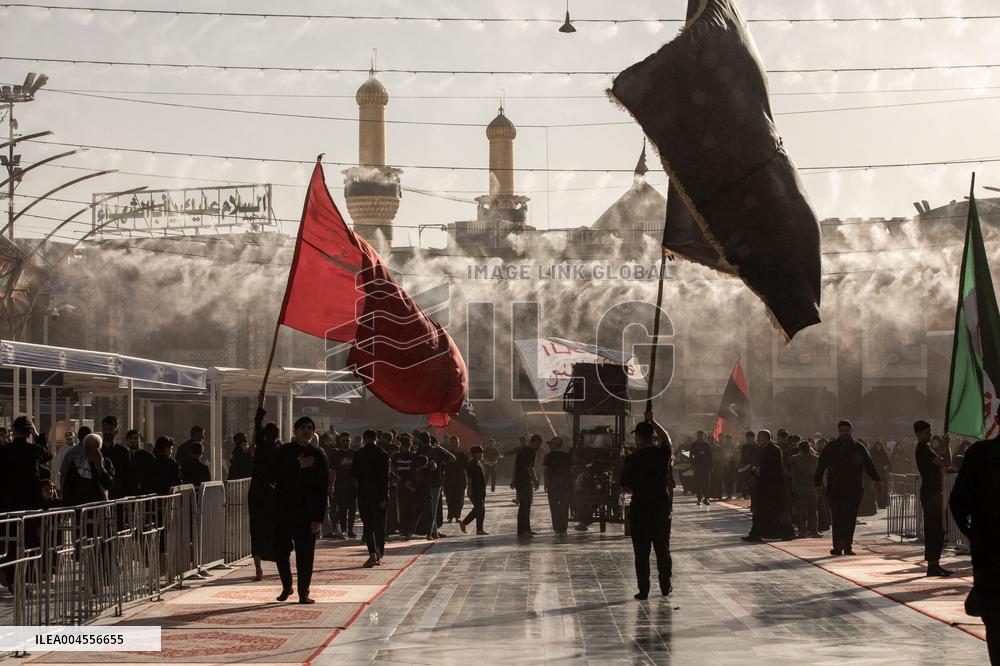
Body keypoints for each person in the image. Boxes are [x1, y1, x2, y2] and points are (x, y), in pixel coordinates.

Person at [949, 411, 1000, 664]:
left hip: (989, 553)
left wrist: (972, 534)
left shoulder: (980, 454)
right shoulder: (980, 454)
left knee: (996, 624)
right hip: (988, 551)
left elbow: (957, 503)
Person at [271, 416, 329, 604]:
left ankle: (304, 592)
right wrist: (297, 466)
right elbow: (272, 475)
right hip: (284, 510)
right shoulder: (284, 452)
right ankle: (287, 586)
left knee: (305, 555)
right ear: (295, 431)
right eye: (303, 427)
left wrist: (318, 517)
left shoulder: (318, 455)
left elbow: (322, 488)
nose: (307, 431)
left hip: (307, 513)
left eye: (310, 428)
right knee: (281, 552)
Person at [620, 412, 674, 600]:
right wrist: (653, 421)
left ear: (638, 438)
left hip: (640, 510)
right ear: (653, 437)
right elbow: (666, 438)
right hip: (660, 508)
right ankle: (665, 585)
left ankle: (644, 590)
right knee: (662, 549)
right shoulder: (662, 454)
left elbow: (624, 486)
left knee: (641, 553)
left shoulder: (632, 459)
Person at [815, 420, 881, 556]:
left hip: (854, 489)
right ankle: (838, 547)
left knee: (850, 519)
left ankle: (848, 546)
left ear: (851, 431)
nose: (844, 433)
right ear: (838, 431)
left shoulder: (858, 447)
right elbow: (821, 466)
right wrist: (817, 484)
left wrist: (877, 479)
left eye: (847, 430)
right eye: (842, 430)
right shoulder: (831, 447)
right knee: (838, 519)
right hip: (835, 489)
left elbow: (869, 465)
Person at [913, 420, 952, 576]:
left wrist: (944, 445)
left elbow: (941, 461)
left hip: (935, 492)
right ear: (918, 433)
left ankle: (935, 563)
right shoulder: (923, 449)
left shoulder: (926, 448)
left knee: (939, 529)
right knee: (933, 530)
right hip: (931, 494)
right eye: (927, 432)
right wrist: (947, 445)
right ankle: (932, 565)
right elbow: (945, 462)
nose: (930, 435)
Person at [742, 430, 795, 541]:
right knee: (758, 510)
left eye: (760, 437)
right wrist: (754, 470)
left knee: (778, 511)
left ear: (767, 438)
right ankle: (755, 534)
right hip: (761, 485)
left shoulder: (775, 450)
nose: (758, 439)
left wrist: (762, 471)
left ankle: (787, 533)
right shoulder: (758, 449)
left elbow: (776, 468)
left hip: (773, 486)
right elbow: (755, 463)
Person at [352, 429, 391, 567]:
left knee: (368, 525)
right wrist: (385, 496)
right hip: (380, 495)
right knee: (380, 525)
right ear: (376, 439)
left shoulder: (359, 454)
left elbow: (354, 477)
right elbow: (386, 478)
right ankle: (379, 554)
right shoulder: (383, 455)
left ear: (364, 439)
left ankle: (372, 553)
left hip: (364, 495)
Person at [249, 409, 279, 581]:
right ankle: (279, 562)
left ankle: (258, 569)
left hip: (256, 492)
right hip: (272, 493)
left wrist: (260, 412)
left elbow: (257, 428)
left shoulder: (261, 449)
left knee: (256, 529)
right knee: (273, 528)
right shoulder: (279, 451)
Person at [3, 415, 51, 511]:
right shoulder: (34, 450)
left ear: (14, 431)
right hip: (30, 501)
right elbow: (48, 455)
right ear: (29, 434)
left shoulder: (4, 450)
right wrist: (36, 434)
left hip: (8, 501)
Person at [62, 433, 115, 506]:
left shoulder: (106, 463)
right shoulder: (76, 462)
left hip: (99, 509)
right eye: (88, 448)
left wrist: (100, 468)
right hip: (80, 508)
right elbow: (68, 487)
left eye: (93, 449)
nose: (90, 452)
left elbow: (109, 484)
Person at [786, 440, 820, 538]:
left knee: (802, 512)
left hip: (800, 488)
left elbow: (788, 461)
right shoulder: (816, 459)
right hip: (813, 488)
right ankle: (814, 531)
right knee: (813, 512)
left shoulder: (795, 459)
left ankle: (803, 531)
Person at [543, 436, 574, 536]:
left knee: (554, 507)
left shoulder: (549, 456)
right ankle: (563, 529)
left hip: (553, 486)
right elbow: (572, 470)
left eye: (551, 444)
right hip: (565, 486)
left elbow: (546, 471)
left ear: (556, 444)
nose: (549, 446)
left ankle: (557, 529)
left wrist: (545, 483)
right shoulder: (567, 456)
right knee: (564, 507)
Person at [330, 432, 359, 539]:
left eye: (348, 440)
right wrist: (331, 486)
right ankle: (343, 529)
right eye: (344, 440)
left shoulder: (355, 453)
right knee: (342, 509)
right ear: (340, 441)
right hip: (340, 485)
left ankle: (350, 530)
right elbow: (333, 471)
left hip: (352, 486)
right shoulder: (336, 454)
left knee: (352, 509)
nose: (346, 442)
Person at [512, 434, 542, 538]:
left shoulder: (521, 451)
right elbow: (529, 467)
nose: (538, 446)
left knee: (526, 506)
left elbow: (515, 465)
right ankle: (521, 531)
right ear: (534, 442)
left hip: (519, 481)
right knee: (525, 506)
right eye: (538, 444)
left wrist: (513, 479)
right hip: (525, 481)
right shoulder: (531, 453)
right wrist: (535, 480)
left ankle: (527, 529)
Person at [99, 416, 131, 500]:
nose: (107, 432)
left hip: (118, 496)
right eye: (105, 429)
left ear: (116, 431)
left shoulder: (123, 452)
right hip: (99, 496)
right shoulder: (97, 450)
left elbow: (127, 476)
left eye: (110, 429)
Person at [460, 445, 488, 535]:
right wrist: (469, 490)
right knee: (478, 508)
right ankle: (464, 523)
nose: (480, 455)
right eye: (478, 453)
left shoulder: (479, 463)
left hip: (481, 490)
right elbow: (470, 478)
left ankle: (479, 529)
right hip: (475, 491)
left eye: (481, 453)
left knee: (481, 509)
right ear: (473, 454)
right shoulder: (471, 464)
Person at [443, 436, 469, 523]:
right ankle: (450, 516)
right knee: (449, 499)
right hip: (448, 480)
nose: (455, 444)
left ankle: (457, 516)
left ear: (459, 443)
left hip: (460, 480)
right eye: (453, 442)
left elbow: (467, 467)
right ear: (450, 443)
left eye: (456, 442)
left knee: (459, 499)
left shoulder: (463, 454)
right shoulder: (446, 455)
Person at [126, 430, 155, 495]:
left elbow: (152, 474)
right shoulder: (124, 455)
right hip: (127, 492)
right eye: (130, 438)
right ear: (127, 440)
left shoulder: (147, 456)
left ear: (141, 440)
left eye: (135, 438)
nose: (132, 440)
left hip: (143, 493)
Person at [689, 431, 712, 505]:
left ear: (704, 437)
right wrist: (692, 465)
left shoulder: (706, 445)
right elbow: (691, 456)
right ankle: (699, 498)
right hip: (697, 465)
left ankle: (706, 498)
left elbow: (710, 456)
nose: (700, 437)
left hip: (706, 466)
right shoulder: (693, 445)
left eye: (702, 436)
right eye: (699, 436)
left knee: (706, 483)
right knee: (698, 482)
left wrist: (711, 466)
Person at [869, 440, 892, 508]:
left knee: (884, 489)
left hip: (883, 474)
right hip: (876, 474)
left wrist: (886, 466)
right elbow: (872, 463)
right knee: (878, 489)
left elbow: (888, 462)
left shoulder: (883, 452)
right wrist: (880, 467)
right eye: (877, 446)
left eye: (879, 446)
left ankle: (884, 503)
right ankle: (880, 503)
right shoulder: (873, 452)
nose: (878, 447)